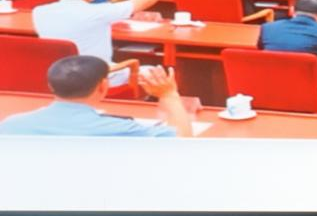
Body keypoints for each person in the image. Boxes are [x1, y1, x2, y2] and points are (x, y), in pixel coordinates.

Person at [32, 0, 158, 86]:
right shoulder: (100, 12)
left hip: (58, 76)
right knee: (153, 72)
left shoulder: (39, 11)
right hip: (96, 77)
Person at [0, 56, 191, 137]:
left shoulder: (10, 125)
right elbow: (182, 141)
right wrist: (169, 95)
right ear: (103, 86)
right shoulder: (121, 130)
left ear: (50, 86)